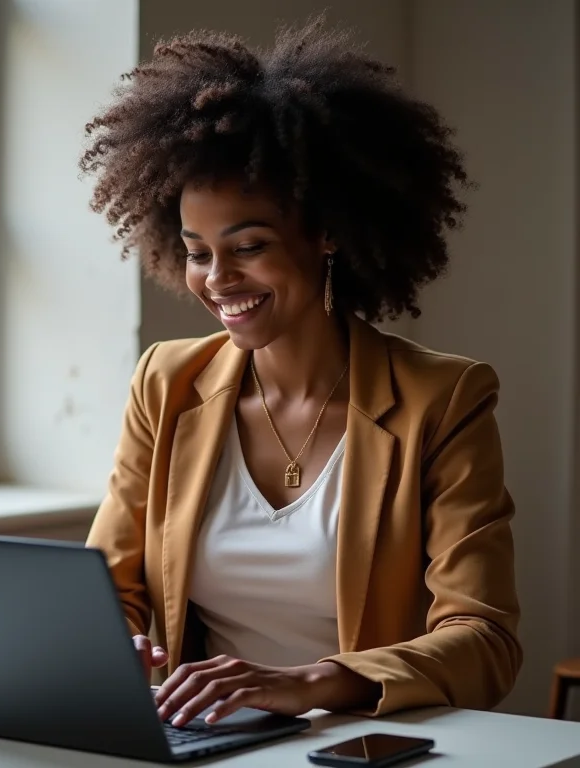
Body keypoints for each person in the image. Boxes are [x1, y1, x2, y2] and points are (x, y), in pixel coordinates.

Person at [80, 16, 521, 727]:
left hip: (359, 738)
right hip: (208, 737)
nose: (218, 280)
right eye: (197, 252)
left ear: (328, 236)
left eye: (248, 246)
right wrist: (116, 643)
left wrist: (313, 682)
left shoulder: (442, 401)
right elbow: (110, 585)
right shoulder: (167, 383)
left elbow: (485, 640)